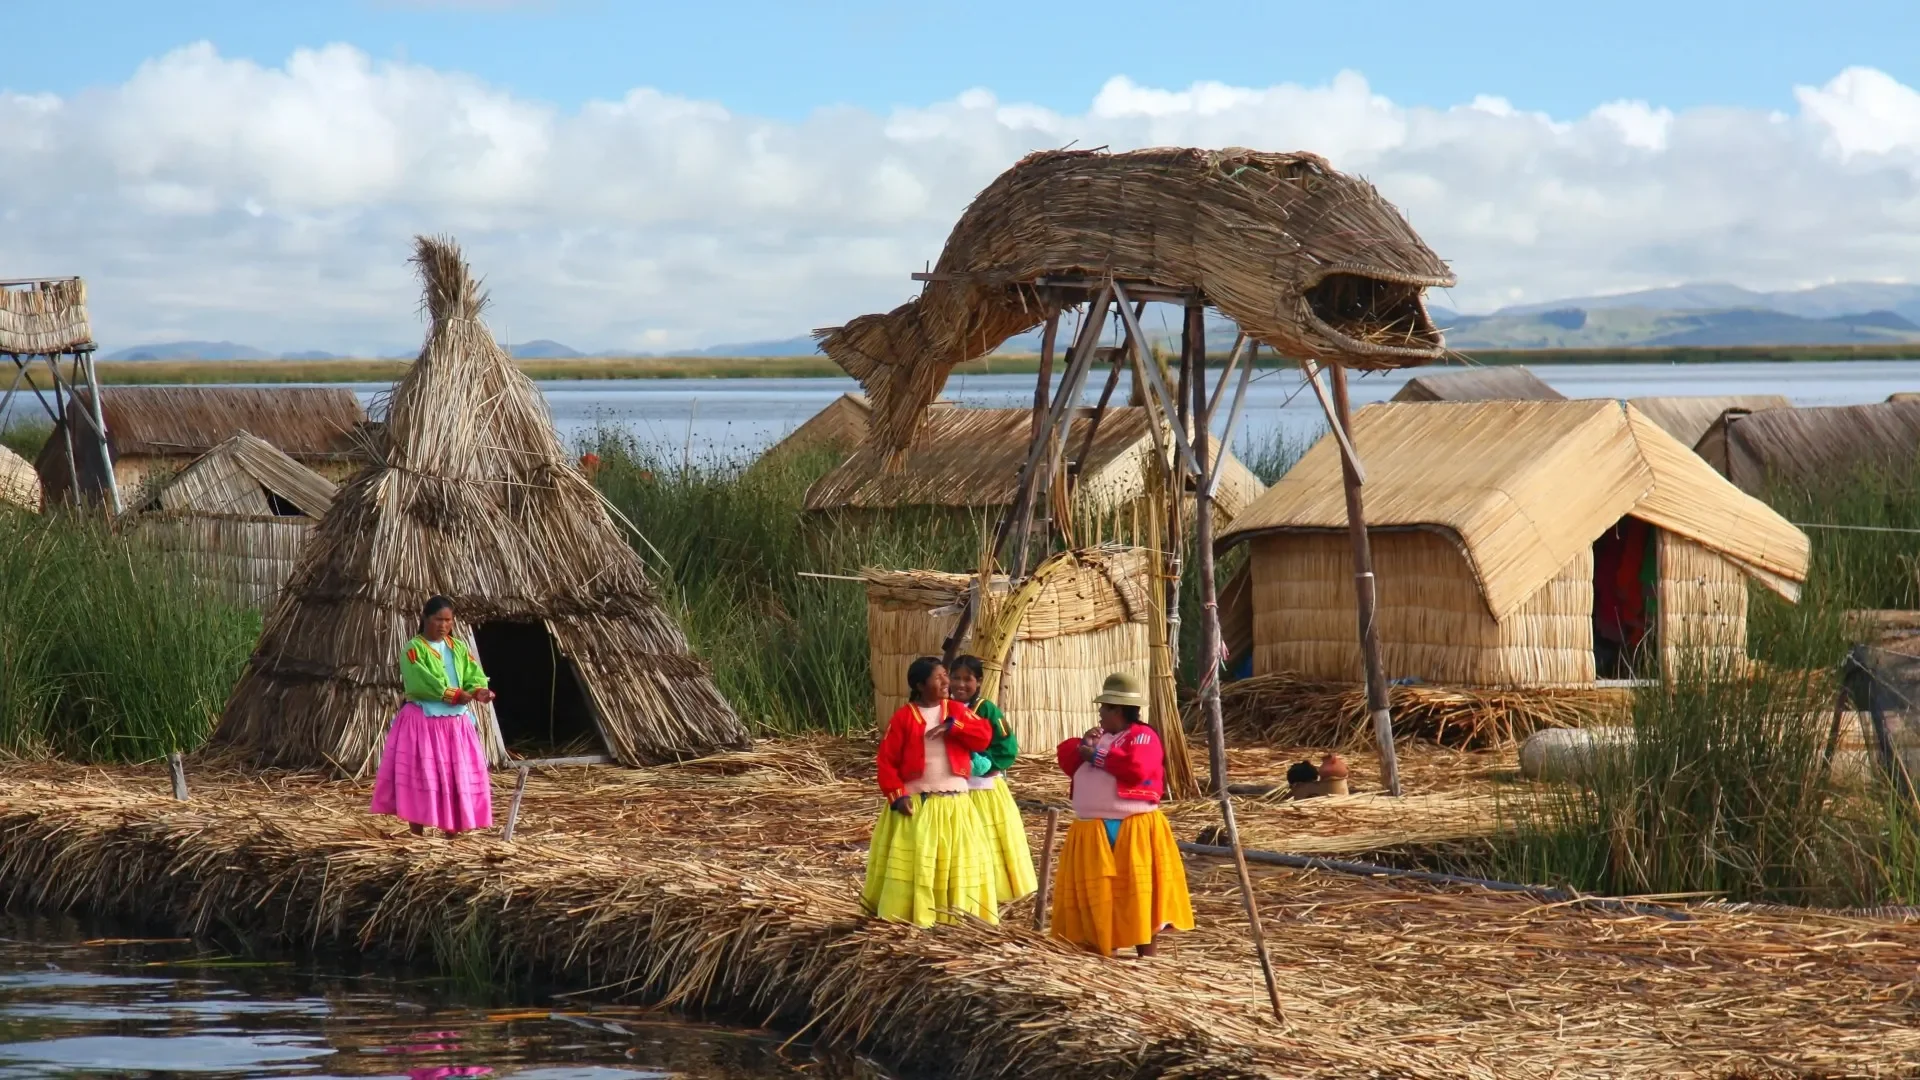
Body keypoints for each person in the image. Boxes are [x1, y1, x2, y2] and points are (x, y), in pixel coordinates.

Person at [1050, 672, 1194, 957]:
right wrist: (1085, 747)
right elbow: (1066, 757)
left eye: (1104, 708)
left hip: (1134, 826)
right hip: (1093, 829)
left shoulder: (1143, 736)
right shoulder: (1100, 737)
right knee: (1102, 893)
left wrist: (1097, 757)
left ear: (1117, 709)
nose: (1100, 713)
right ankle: (1106, 949)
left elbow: (1137, 768)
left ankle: (1147, 960)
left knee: (1138, 892)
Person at [861, 656, 999, 927]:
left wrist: (953, 727)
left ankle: (957, 919)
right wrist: (897, 796)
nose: (947, 682)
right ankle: (913, 917)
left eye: (946, 676)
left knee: (956, 863)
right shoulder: (904, 718)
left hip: (955, 804)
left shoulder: (957, 711)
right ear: (920, 685)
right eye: (939, 678)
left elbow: (983, 736)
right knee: (920, 864)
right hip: (918, 804)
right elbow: (886, 761)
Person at [370, 595, 498, 837]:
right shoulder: (413, 649)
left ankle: (453, 833)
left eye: (448, 620)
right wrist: (454, 695)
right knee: (422, 776)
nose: (443, 625)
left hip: (456, 726)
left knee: (455, 777)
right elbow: (423, 682)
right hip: (424, 722)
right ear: (425, 619)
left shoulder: (459, 647)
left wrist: (480, 691)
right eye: (438, 619)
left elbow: (473, 674)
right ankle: (418, 834)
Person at [949, 654, 1037, 905]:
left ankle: (993, 892)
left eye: (968, 679)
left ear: (979, 681)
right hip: (955, 788)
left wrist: (991, 766)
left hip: (983, 789)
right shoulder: (945, 708)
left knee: (987, 840)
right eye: (955, 678)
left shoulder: (986, 709)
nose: (961, 685)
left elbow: (1006, 743)